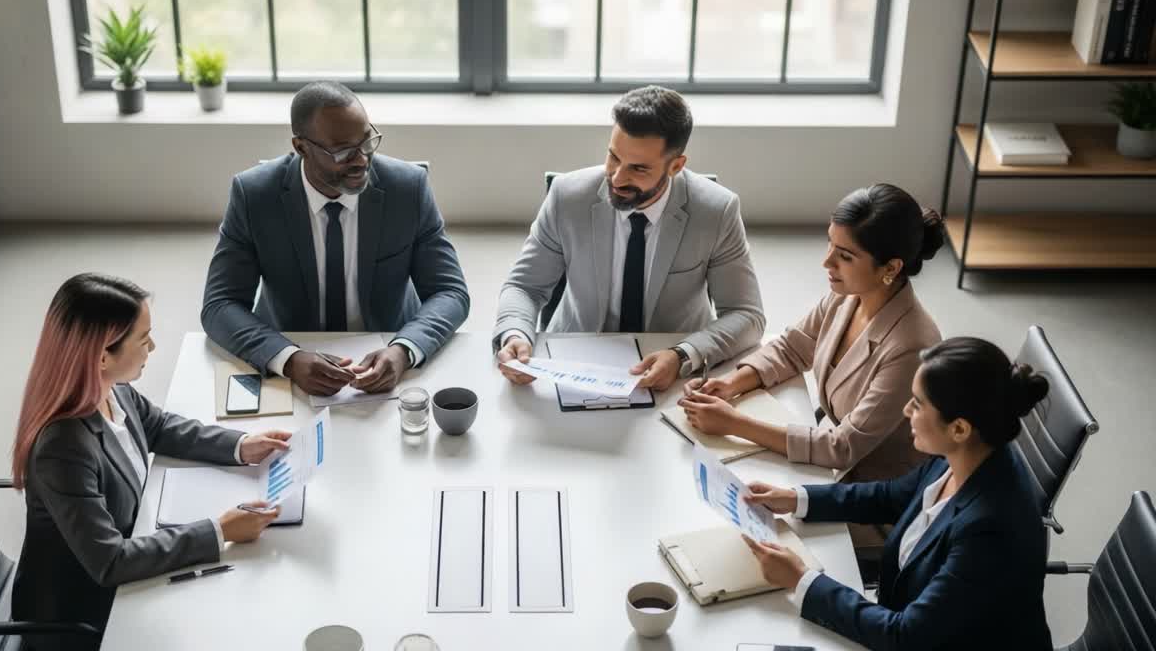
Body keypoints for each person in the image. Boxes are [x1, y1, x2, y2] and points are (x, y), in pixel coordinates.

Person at [12, 274, 292, 649]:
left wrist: (241, 445)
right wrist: (220, 530)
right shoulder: (63, 447)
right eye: (144, 340)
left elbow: (159, 427)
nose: (153, 347)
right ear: (101, 357)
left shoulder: (112, 389)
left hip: (132, 552)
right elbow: (110, 561)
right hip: (86, 615)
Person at [740, 337, 1054, 651]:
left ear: (959, 428)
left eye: (917, 404)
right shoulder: (966, 452)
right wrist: (796, 498)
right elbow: (890, 497)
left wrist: (801, 580)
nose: (906, 411)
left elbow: (906, 637)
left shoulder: (990, 530)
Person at [679, 184, 943, 552]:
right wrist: (732, 385)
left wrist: (733, 423)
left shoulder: (911, 345)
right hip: (836, 472)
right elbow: (792, 348)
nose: (826, 262)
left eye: (845, 256)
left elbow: (841, 447)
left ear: (891, 268)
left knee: (746, 531)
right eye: (830, 245)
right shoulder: (849, 296)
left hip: (875, 502)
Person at [202, 81, 470, 397]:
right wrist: (288, 359)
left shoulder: (408, 188)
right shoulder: (254, 196)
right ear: (301, 148)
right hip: (291, 351)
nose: (361, 160)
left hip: (388, 352)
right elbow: (220, 304)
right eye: (343, 150)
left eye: (367, 141)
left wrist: (404, 349)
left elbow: (450, 291)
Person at [493, 85, 765, 391]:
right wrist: (515, 334)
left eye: (638, 168)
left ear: (676, 166)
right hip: (574, 359)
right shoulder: (567, 196)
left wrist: (682, 355)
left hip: (671, 369)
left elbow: (747, 315)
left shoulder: (717, 211)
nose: (618, 177)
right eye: (613, 157)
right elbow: (524, 286)